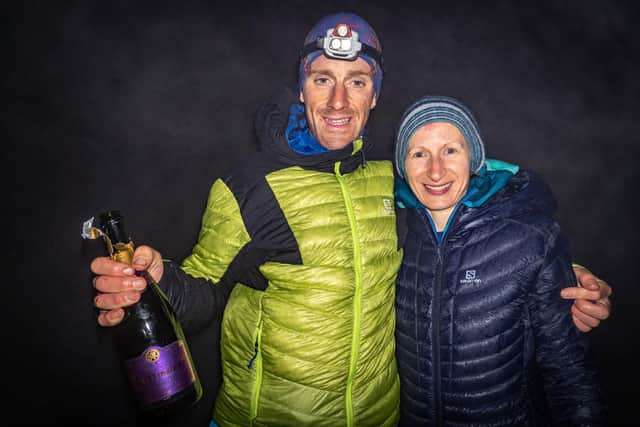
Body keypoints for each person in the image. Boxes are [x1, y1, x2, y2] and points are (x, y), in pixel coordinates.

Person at [90, 12, 611, 426]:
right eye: (323, 79)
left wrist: (561, 276)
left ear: (375, 94)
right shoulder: (247, 189)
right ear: (302, 88)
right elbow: (201, 290)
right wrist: (154, 278)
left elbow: (473, 220)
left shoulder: (393, 180)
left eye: (357, 82)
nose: (339, 100)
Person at [393, 94, 606, 425]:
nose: (436, 170)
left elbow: (569, 372)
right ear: (402, 167)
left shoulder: (529, 238)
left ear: (474, 158)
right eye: (419, 154)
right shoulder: (392, 234)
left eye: (451, 150)